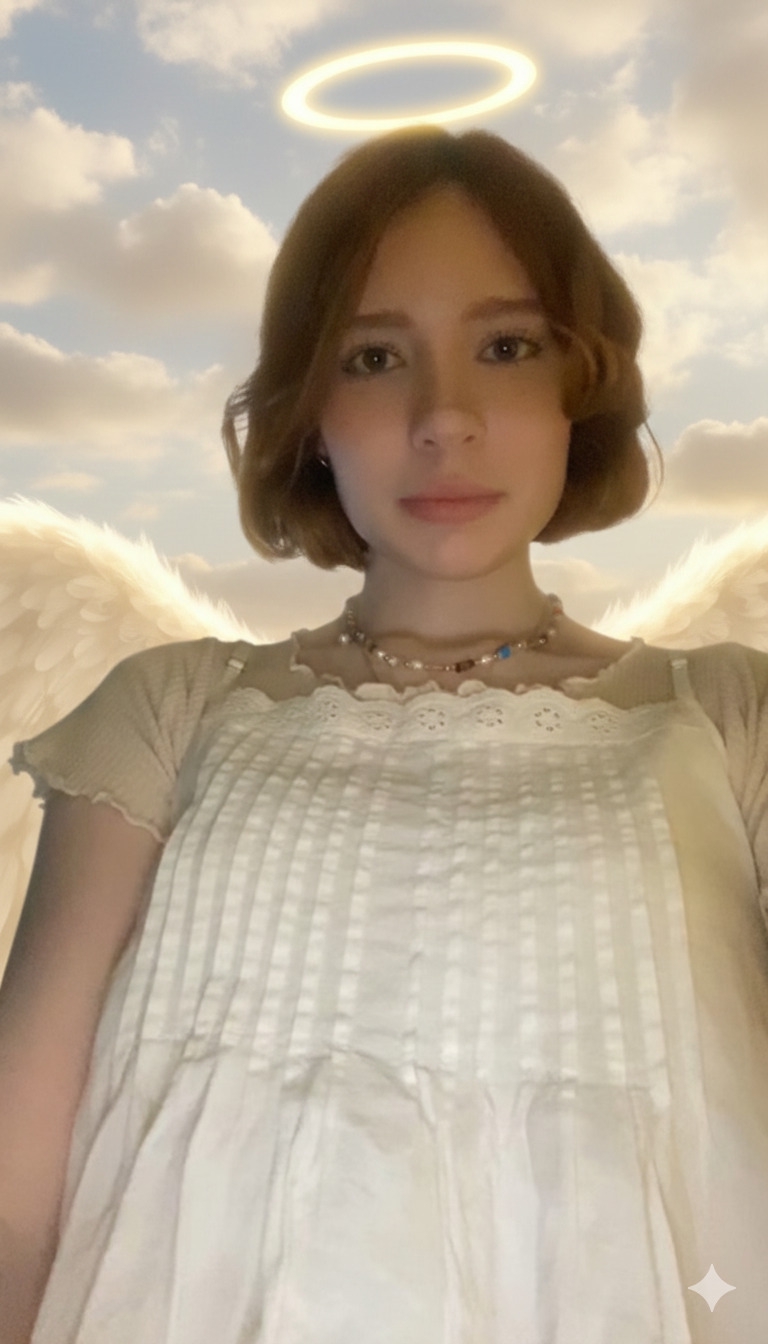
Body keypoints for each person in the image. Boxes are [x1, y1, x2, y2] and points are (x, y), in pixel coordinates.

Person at [3, 123, 768, 1344]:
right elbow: (16, 1177)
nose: (444, 417)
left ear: (580, 385)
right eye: (372, 357)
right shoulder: (168, 709)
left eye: (507, 346)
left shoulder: (730, 715)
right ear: (309, 412)